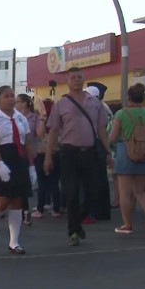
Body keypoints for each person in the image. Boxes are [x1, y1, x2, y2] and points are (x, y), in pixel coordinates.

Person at [44, 67, 112, 246]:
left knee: (93, 192)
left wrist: (108, 151)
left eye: (79, 77)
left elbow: (101, 129)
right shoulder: (61, 104)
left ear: (84, 79)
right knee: (72, 193)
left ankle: (79, 221)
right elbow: (53, 131)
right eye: (73, 78)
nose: (76, 80)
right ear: (67, 81)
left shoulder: (94, 103)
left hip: (89, 152)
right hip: (69, 154)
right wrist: (48, 156)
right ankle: (73, 230)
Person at [0, 86, 37, 254]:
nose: (10, 99)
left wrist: (31, 166)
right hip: (2, 158)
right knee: (2, 201)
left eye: (12, 95)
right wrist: (0, 163)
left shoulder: (21, 119)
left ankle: (14, 242)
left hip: (19, 158)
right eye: (6, 96)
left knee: (17, 201)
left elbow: (28, 142)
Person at [108, 84, 145, 234]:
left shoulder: (122, 114)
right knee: (140, 191)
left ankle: (127, 224)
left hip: (126, 152)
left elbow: (113, 136)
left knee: (124, 193)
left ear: (128, 98)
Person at [14, 94, 40, 225]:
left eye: (17, 101)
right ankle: (17, 210)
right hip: (15, 154)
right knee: (16, 185)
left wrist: (43, 116)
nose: (15, 103)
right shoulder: (13, 117)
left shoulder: (34, 117)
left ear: (24, 103)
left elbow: (40, 134)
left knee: (25, 185)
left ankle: (26, 211)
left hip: (31, 153)